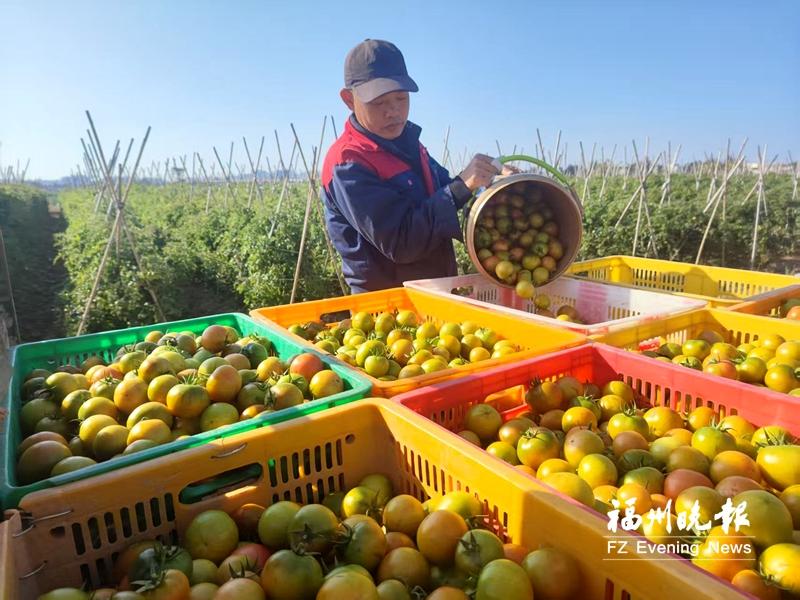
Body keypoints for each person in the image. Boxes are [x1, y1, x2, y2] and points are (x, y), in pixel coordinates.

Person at [321, 39, 512, 294]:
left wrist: (491, 179)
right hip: (389, 306)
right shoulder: (348, 163)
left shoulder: (408, 144)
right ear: (348, 99)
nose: (393, 111)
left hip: (434, 294)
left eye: (401, 98)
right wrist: (460, 187)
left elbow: (446, 190)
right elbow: (401, 242)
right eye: (378, 103)